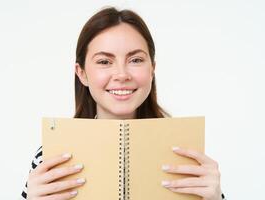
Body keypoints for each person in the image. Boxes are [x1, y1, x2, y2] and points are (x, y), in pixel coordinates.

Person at [21, 7, 225, 200]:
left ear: (152, 69)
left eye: (135, 60)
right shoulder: (50, 157)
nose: (122, 75)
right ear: (81, 73)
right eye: (104, 62)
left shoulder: (188, 155)